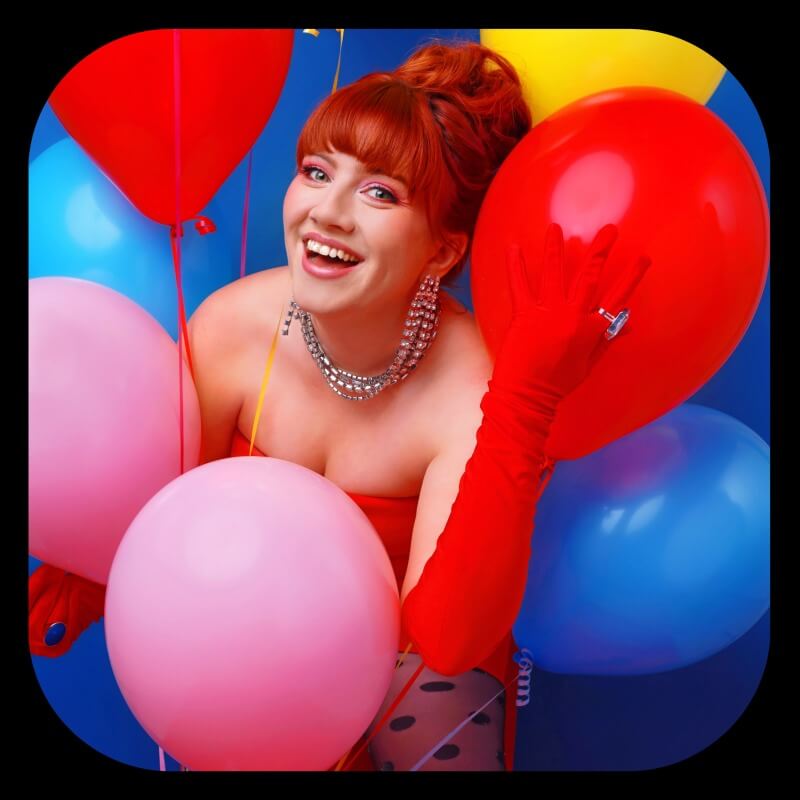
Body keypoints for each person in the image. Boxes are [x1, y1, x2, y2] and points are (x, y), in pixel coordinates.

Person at [29, 39, 651, 771]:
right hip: (260, 628)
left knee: (432, 716)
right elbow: (177, 540)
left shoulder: (475, 385)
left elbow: (447, 640)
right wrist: (94, 565)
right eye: (317, 173)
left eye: (380, 193)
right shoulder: (232, 329)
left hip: (412, 652)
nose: (326, 213)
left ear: (443, 251)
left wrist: (526, 402)